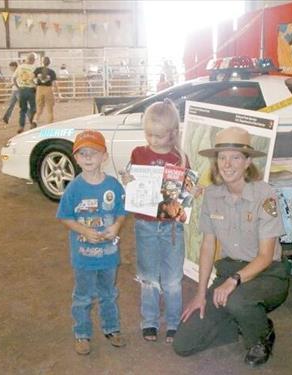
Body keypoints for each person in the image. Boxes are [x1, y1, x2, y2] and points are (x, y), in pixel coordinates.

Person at [173, 126, 290, 369]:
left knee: (238, 301)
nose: (227, 164)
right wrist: (200, 294)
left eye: (235, 157)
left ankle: (261, 336)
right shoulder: (212, 195)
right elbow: (207, 246)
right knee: (183, 343)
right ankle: (239, 320)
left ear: (247, 162)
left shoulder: (264, 195)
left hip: (267, 274)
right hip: (229, 274)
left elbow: (266, 256)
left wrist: (234, 281)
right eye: (222, 157)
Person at [120, 99, 189, 344]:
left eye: (159, 136)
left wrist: (191, 192)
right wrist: (127, 180)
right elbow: (130, 182)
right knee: (148, 276)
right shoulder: (138, 153)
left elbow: (184, 196)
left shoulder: (180, 158)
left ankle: (173, 322)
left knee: (172, 279)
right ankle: (149, 321)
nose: (153, 140)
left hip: (172, 227)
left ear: (172, 133)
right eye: (149, 134)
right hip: (145, 224)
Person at [56, 130, 127, 355]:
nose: (88, 158)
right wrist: (84, 230)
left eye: (93, 153)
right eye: (82, 153)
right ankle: (82, 333)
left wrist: (116, 227)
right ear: (75, 158)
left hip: (108, 255)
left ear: (104, 156)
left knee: (108, 293)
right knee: (83, 296)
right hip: (83, 256)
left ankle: (111, 328)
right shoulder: (74, 188)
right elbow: (65, 217)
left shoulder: (114, 186)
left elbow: (121, 212)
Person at [13, 53, 37, 133]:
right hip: (31, 89)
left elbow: (14, 78)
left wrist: (18, 87)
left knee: (23, 109)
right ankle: (32, 124)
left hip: (22, 90)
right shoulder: (34, 68)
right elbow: (36, 80)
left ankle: (21, 126)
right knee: (33, 108)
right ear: (33, 59)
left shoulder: (20, 67)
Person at [33, 56, 58, 125]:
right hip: (48, 89)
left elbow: (32, 78)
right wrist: (58, 92)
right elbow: (54, 83)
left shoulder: (37, 70)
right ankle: (50, 124)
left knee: (39, 108)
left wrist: (36, 84)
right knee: (50, 110)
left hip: (39, 88)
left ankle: (35, 120)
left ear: (42, 62)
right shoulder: (52, 72)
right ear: (49, 63)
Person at [0, 61, 19, 126]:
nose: (10, 68)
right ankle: (6, 118)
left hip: (17, 90)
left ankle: (32, 118)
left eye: (11, 67)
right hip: (15, 90)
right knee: (11, 105)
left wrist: (9, 85)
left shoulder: (17, 72)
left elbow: (16, 81)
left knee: (22, 105)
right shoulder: (15, 72)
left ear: (14, 66)